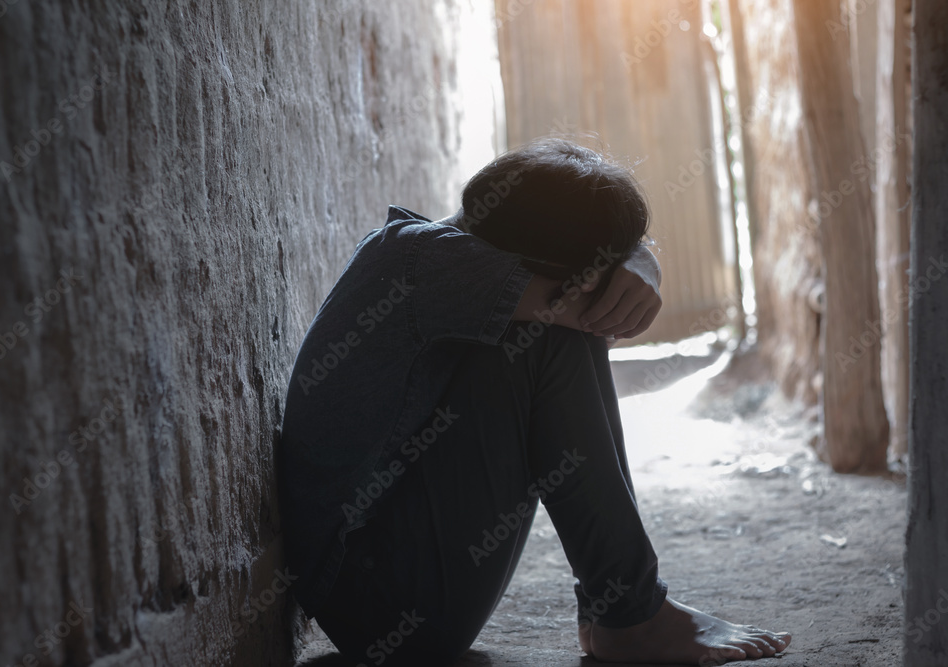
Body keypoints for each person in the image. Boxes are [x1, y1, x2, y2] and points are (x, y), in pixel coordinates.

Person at [275, 137, 792, 666]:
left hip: (394, 591)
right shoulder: (418, 261)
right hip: (385, 609)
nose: (597, 287)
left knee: (556, 331)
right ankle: (629, 616)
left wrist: (639, 257)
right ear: (526, 260)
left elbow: (579, 302)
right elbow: (587, 311)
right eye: (587, 275)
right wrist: (640, 265)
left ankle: (617, 610)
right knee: (553, 337)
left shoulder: (426, 250)